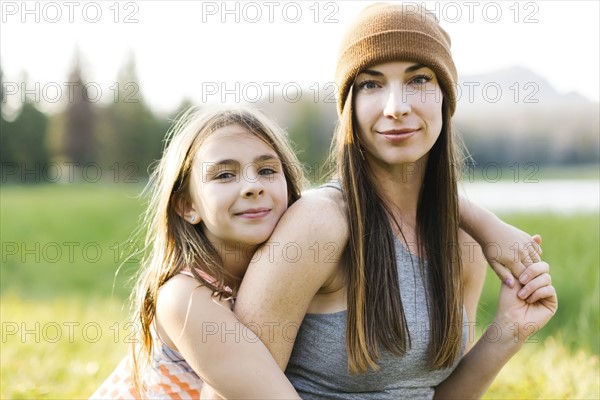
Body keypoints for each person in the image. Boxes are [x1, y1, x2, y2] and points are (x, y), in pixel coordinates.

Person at [231, 3, 558, 399]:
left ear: (444, 97)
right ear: (348, 107)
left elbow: (434, 394)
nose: (396, 107)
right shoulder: (320, 224)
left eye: (418, 79)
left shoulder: (463, 242)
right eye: (371, 84)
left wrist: (510, 330)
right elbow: (228, 389)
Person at [90, 105, 305, 399]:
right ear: (188, 206)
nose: (253, 186)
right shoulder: (185, 298)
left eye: (267, 170)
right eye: (225, 175)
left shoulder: (287, 273)